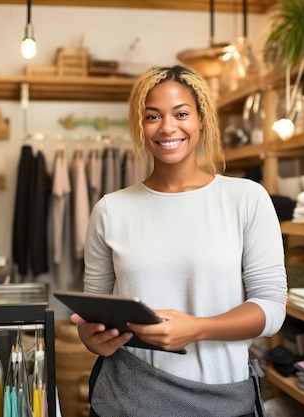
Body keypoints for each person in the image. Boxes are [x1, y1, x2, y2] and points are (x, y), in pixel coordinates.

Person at [70, 65, 287, 417]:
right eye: (152, 116)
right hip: (125, 398)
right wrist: (92, 338)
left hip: (221, 399)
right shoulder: (111, 209)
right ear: (140, 126)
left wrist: (198, 328)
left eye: (181, 113)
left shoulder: (246, 198)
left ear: (201, 119)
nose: (167, 127)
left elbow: (272, 307)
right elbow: (94, 314)